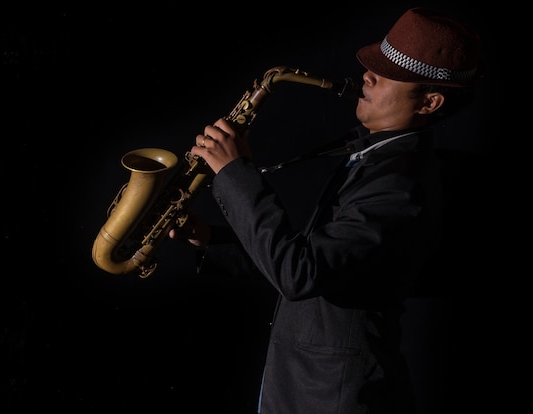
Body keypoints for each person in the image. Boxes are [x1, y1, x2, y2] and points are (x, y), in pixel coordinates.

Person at [169, 7, 482, 414]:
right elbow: (312, 262)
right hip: (305, 392)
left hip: (333, 400)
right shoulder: (374, 160)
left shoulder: (400, 186)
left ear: (429, 102)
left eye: (387, 73)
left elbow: (298, 273)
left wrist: (233, 173)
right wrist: (209, 241)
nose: (367, 76)